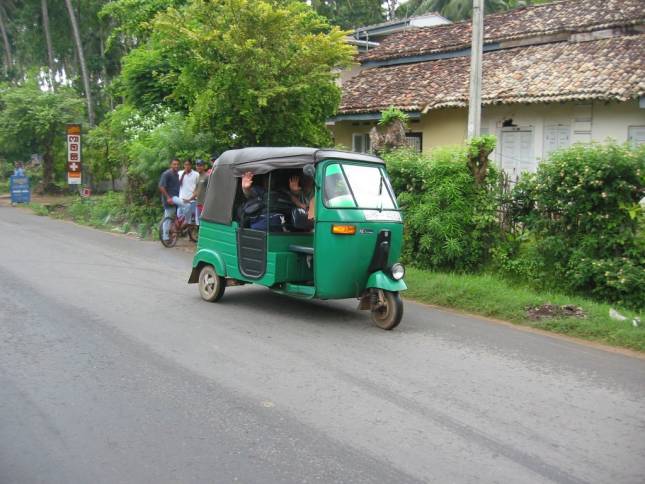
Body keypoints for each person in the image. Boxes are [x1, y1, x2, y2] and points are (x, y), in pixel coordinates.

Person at [159, 159, 181, 242]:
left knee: (170, 217)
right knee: (168, 218)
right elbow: (161, 187)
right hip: (169, 200)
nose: (176, 166)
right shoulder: (166, 174)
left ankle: (172, 233)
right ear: (170, 165)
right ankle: (165, 237)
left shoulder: (177, 174)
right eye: (174, 164)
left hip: (175, 199)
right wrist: (168, 198)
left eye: (177, 164)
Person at [178, 159, 200, 223]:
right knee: (180, 218)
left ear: (191, 165)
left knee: (189, 220)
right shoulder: (180, 173)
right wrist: (183, 175)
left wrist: (191, 198)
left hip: (192, 201)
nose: (187, 166)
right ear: (183, 165)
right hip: (181, 200)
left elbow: (198, 188)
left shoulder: (196, 174)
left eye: (188, 165)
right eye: (185, 165)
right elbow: (178, 185)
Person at [193, 159, 209, 225]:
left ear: (204, 167)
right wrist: (191, 197)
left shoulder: (207, 176)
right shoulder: (198, 177)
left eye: (200, 166)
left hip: (204, 204)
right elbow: (196, 190)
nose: (199, 167)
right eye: (197, 165)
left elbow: (210, 189)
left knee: (204, 222)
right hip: (198, 203)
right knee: (198, 222)